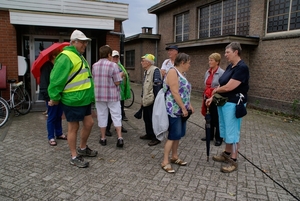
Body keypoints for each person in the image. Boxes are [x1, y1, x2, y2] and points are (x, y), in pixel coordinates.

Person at [48, 29, 98, 168]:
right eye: (82, 42)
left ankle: (82, 148)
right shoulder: (66, 56)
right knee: (73, 127)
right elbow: (56, 80)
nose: (85, 45)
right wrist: (55, 97)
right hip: (73, 99)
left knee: (89, 124)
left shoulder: (79, 56)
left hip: (84, 99)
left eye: (85, 42)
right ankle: (74, 156)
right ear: (73, 42)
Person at [206, 42, 249, 173]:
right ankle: (226, 153)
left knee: (233, 131)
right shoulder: (231, 66)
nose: (225, 55)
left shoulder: (242, 68)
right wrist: (212, 97)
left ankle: (234, 160)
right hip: (224, 102)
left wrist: (214, 92)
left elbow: (230, 87)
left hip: (234, 103)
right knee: (225, 129)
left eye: (227, 52)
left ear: (236, 52)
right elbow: (222, 85)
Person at [161, 53, 194, 173]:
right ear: (183, 62)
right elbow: (175, 92)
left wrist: (188, 104)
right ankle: (165, 161)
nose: (190, 65)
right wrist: (183, 108)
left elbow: (184, 91)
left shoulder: (182, 73)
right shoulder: (172, 72)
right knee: (172, 136)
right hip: (174, 110)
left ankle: (174, 156)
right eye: (189, 62)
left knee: (178, 135)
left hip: (181, 110)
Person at [92, 45, 124, 148]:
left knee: (102, 115)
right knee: (116, 115)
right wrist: (121, 77)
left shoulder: (94, 66)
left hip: (99, 95)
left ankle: (103, 138)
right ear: (109, 54)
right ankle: (119, 138)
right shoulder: (113, 65)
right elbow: (117, 82)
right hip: (112, 95)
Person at [39, 49, 67, 146]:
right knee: (52, 116)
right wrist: (49, 98)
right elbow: (44, 84)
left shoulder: (57, 66)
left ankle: (59, 133)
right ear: (54, 57)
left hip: (58, 96)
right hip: (51, 97)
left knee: (58, 115)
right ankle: (51, 137)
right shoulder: (46, 67)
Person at [201, 53, 224, 146]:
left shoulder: (222, 72)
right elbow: (206, 83)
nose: (209, 62)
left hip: (216, 97)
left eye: (211, 60)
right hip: (207, 96)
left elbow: (222, 85)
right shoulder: (208, 72)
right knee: (208, 116)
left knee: (217, 118)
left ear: (217, 62)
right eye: (209, 60)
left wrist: (213, 93)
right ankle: (209, 135)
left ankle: (218, 138)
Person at [105, 50, 131, 136]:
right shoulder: (109, 66)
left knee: (120, 111)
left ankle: (119, 126)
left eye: (117, 57)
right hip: (113, 93)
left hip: (121, 93)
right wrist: (120, 75)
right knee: (111, 112)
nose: (115, 58)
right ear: (110, 57)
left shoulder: (120, 65)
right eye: (114, 57)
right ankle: (107, 128)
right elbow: (113, 79)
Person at [139, 54, 162, 146]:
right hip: (147, 100)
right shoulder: (146, 71)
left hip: (152, 100)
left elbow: (157, 86)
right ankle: (149, 134)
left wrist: (157, 101)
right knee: (146, 118)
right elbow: (144, 87)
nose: (141, 63)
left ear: (148, 62)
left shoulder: (155, 70)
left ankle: (156, 138)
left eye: (143, 61)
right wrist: (142, 98)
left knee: (153, 119)